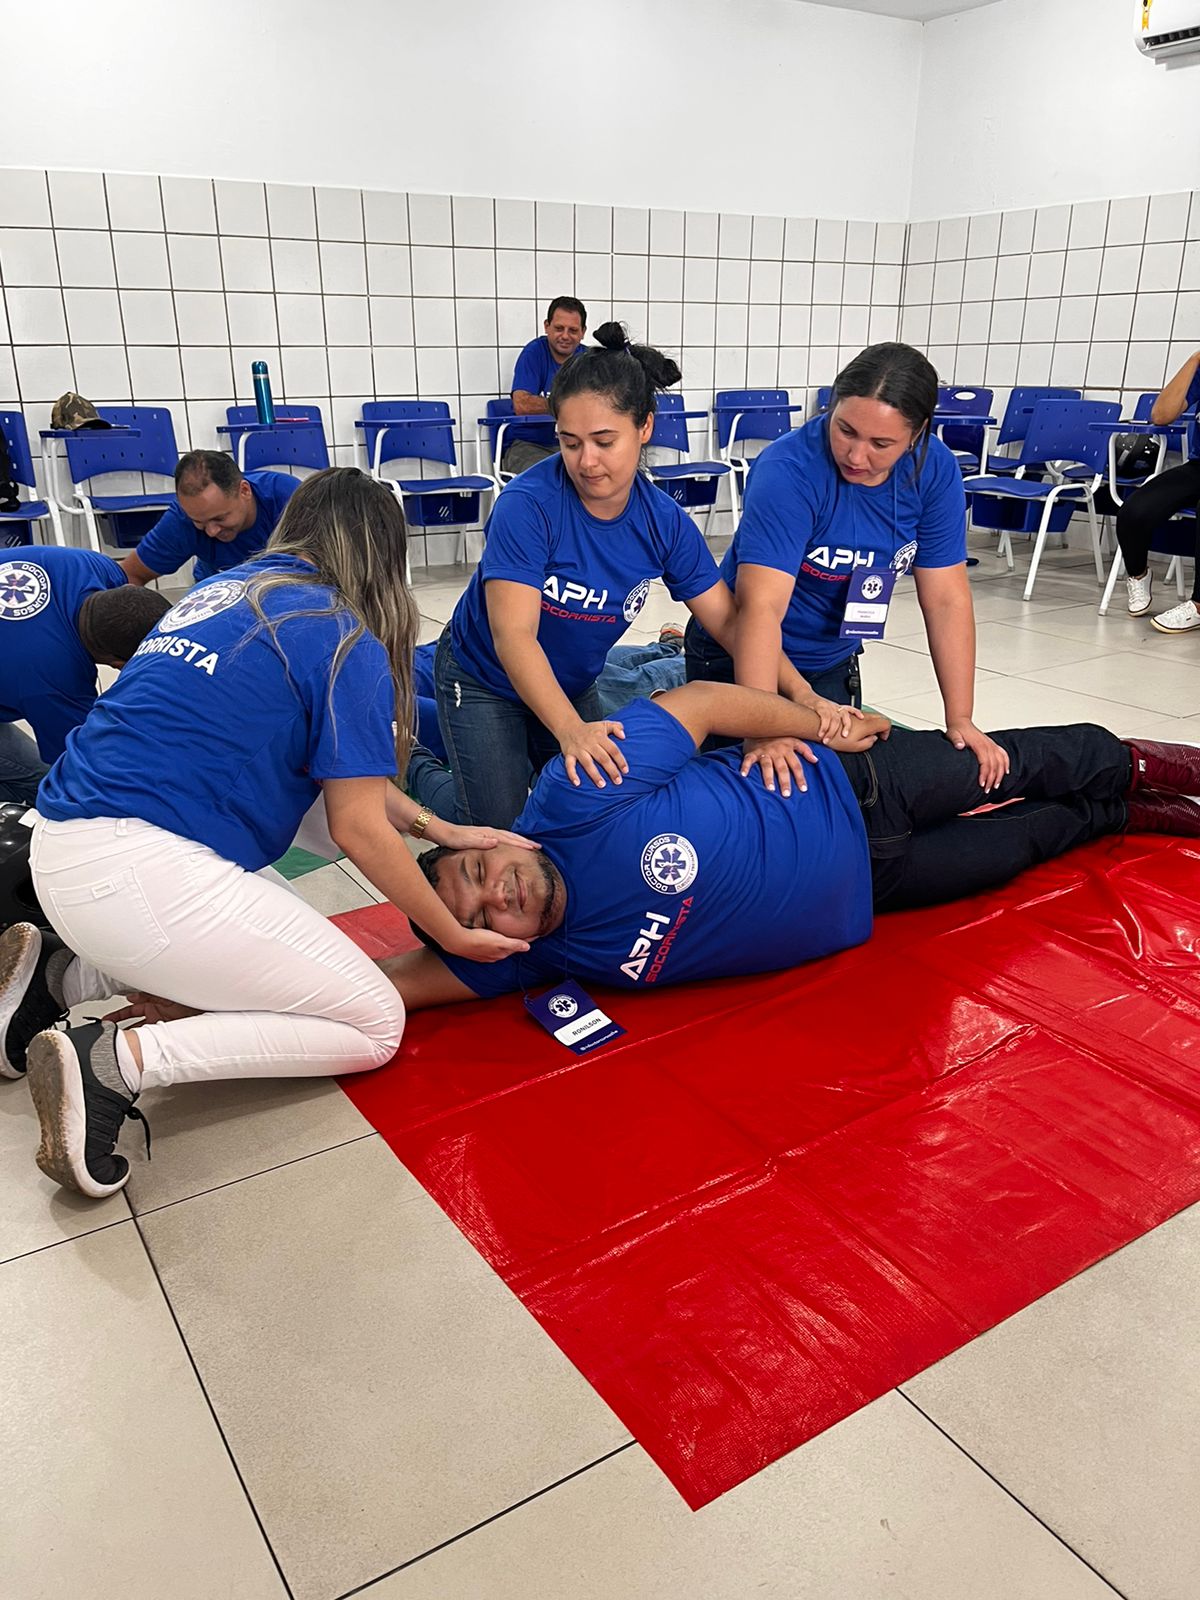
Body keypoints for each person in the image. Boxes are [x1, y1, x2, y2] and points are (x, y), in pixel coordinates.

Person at [6, 468, 535, 1198]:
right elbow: (353, 827)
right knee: (374, 1023)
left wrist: (438, 825)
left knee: (267, 928)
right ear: (383, 554)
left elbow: (337, 794)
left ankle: (61, 978)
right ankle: (115, 1062)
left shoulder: (220, 596)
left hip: (64, 853)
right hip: (137, 873)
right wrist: (451, 931)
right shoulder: (338, 632)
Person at [386, 681, 1200, 1009]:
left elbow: (699, 704)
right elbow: (385, 987)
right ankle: (1137, 815)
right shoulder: (528, 954)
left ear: (494, 840)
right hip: (879, 889)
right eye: (483, 911)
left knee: (1030, 760)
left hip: (858, 784)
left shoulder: (572, 794)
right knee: (1033, 838)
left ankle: (1158, 768)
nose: (501, 893)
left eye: (482, 869)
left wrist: (822, 725)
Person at [436, 322, 841, 831]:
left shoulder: (662, 520)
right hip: (483, 678)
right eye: (569, 442)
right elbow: (514, 636)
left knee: (585, 809)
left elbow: (731, 624)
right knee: (496, 826)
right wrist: (570, 730)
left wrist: (801, 694)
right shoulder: (528, 506)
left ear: (645, 427)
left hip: (572, 679)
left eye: (605, 441)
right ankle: (423, 771)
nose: (587, 461)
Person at [686, 342, 1009, 793]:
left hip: (829, 659)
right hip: (743, 654)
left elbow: (947, 599)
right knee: (748, 793)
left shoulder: (933, 471)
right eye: (845, 430)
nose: (856, 456)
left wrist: (961, 719)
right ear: (831, 406)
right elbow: (760, 610)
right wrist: (763, 729)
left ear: (916, 434)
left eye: (881, 444)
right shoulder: (788, 469)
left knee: (841, 792)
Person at [0, 544, 169, 806]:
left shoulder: (94, 566)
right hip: (27, 665)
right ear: (116, 664)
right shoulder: (55, 680)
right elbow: (79, 769)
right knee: (45, 786)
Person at [120, 450, 300, 587]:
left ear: (244, 491)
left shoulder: (291, 499)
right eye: (199, 522)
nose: (211, 531)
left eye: (220, 518)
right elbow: (130, 575)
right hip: (217, 596)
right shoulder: (182, 519)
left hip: (290, 590)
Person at [1117, 350, 1200, 633]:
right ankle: (1138, 576)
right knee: (1134, 511)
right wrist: (1195, 359)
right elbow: (1161, 415)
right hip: (1198, 468)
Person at [503, 296, 588, 475]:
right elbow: (522, 405)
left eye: (573, 330)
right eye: (559, 328)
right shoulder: (533, 353)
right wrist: (570, 405)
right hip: (529, 446)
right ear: (546, 326)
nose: (565, 336)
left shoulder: (590, 360)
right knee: (551, 477)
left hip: (575, 445)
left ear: (583, 332)